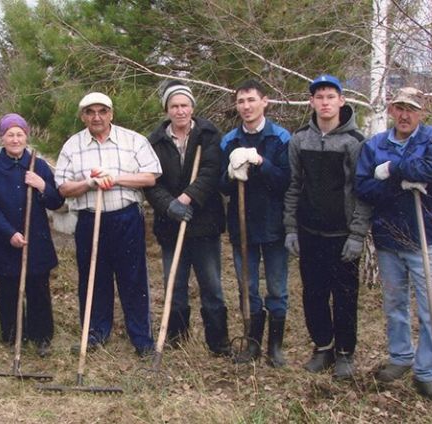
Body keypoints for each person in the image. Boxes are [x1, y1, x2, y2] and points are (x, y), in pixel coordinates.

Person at [355, 87, 432, 398]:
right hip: (387, 237)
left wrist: (393, 169)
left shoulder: (431, 138)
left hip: (423, 237)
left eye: (412, 109)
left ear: (421, 112)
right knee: (395, 304)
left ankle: (427, 370)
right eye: (400, 108)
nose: (405, 115)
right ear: (392, 110)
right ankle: (401, 357)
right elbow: (364, 186)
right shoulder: (375, 145)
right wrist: (402, 182)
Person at [55, 92, 162, 357]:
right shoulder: (73, 145)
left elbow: (150, 177)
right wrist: (88, 184)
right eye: (90, 112)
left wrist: (115, 178)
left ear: (111, 114)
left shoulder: (133, 140)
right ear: (83, 117)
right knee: (93, 278)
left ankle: (141, 337)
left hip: (126, 218)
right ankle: (95, 333)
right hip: (91, 219)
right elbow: (63, 187)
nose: (97, 117)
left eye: (102, 111)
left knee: (133, 278)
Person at [283, 75, 371, 379]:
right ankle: (323, 347)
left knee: (345, 295)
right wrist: (291, 228)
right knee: (313, 293)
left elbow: (363, 193)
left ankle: (345, 353)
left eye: (330, 96)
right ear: (311, 102)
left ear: (341, 101)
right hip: (310, 233)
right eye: (319, 97)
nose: (325, 102)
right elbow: (293, 186)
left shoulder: (355, 142)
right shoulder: (299, 140)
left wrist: (357, 235)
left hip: (342, 235)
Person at [143, 80, 230, 356]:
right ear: (167, 110)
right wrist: (169, 205)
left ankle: (218, 342)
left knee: (212, 286)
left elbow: (211, 170)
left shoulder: (208, 134)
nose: (180, 111)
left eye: (184, 105)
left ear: (192, 107)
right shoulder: (154, 141)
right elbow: (150, 181)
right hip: (170, 225)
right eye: (174, 106)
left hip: (204, 223)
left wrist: (188, 196)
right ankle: (176, 339)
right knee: (175, 284)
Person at [219, 80, 291, 367]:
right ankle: (252, 343)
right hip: (242, 227)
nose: (246, 106)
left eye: (251, 100)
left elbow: (286, 181)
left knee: (276, 288)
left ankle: (275, 347)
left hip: (274, 226)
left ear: (265, 102)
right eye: (241, 101)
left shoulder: (281, 138)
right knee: (247, 287)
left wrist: (261, 163)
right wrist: (231, 172)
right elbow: (222, 187)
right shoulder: (229, 141)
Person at [0, 113, 64, 357]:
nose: (15, 139)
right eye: (10, 134)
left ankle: (41, 337)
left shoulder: (38, 165)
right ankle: (13, 335)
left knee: (38, 288)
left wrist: (42, 185)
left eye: (19, 134)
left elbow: (56, 201)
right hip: (5, 242)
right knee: (8, 290)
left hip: (36, 241)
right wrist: (9, 234)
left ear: (26, 136)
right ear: (2, 138)